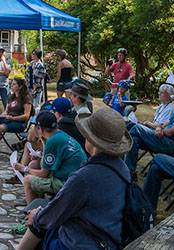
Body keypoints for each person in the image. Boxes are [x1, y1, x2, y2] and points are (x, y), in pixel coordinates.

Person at [16, 108, 132, 250]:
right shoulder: (121, 169)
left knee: (37, 225)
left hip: (82, 243)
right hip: (110, 237)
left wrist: (36, 215)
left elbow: (56, 212)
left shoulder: (85, 177)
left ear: (91, 140)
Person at [14, 111, 86, 203]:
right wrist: (44, 146)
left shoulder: (52, 141)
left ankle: (32, 214)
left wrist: (23, 169)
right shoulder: (60, 134)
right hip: (76, 177)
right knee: (34, 165)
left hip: (68, 182)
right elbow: (44, 165)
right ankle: (36, 202)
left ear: (39, 129)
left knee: (27, 179)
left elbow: (44, 174)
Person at [125, 90, 174, 172]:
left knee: (137, 128)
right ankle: (130, 171)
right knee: (135, 140)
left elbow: (170, 132)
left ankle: (120, 145)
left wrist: (161, 130)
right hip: (162, 139)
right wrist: (159, 128)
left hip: (170, 144)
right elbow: (163, 125)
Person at [60, 80, 92, 154]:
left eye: (71, 94)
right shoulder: (75, 109)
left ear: (76, 97)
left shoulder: (83, 113)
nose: (70, 96)